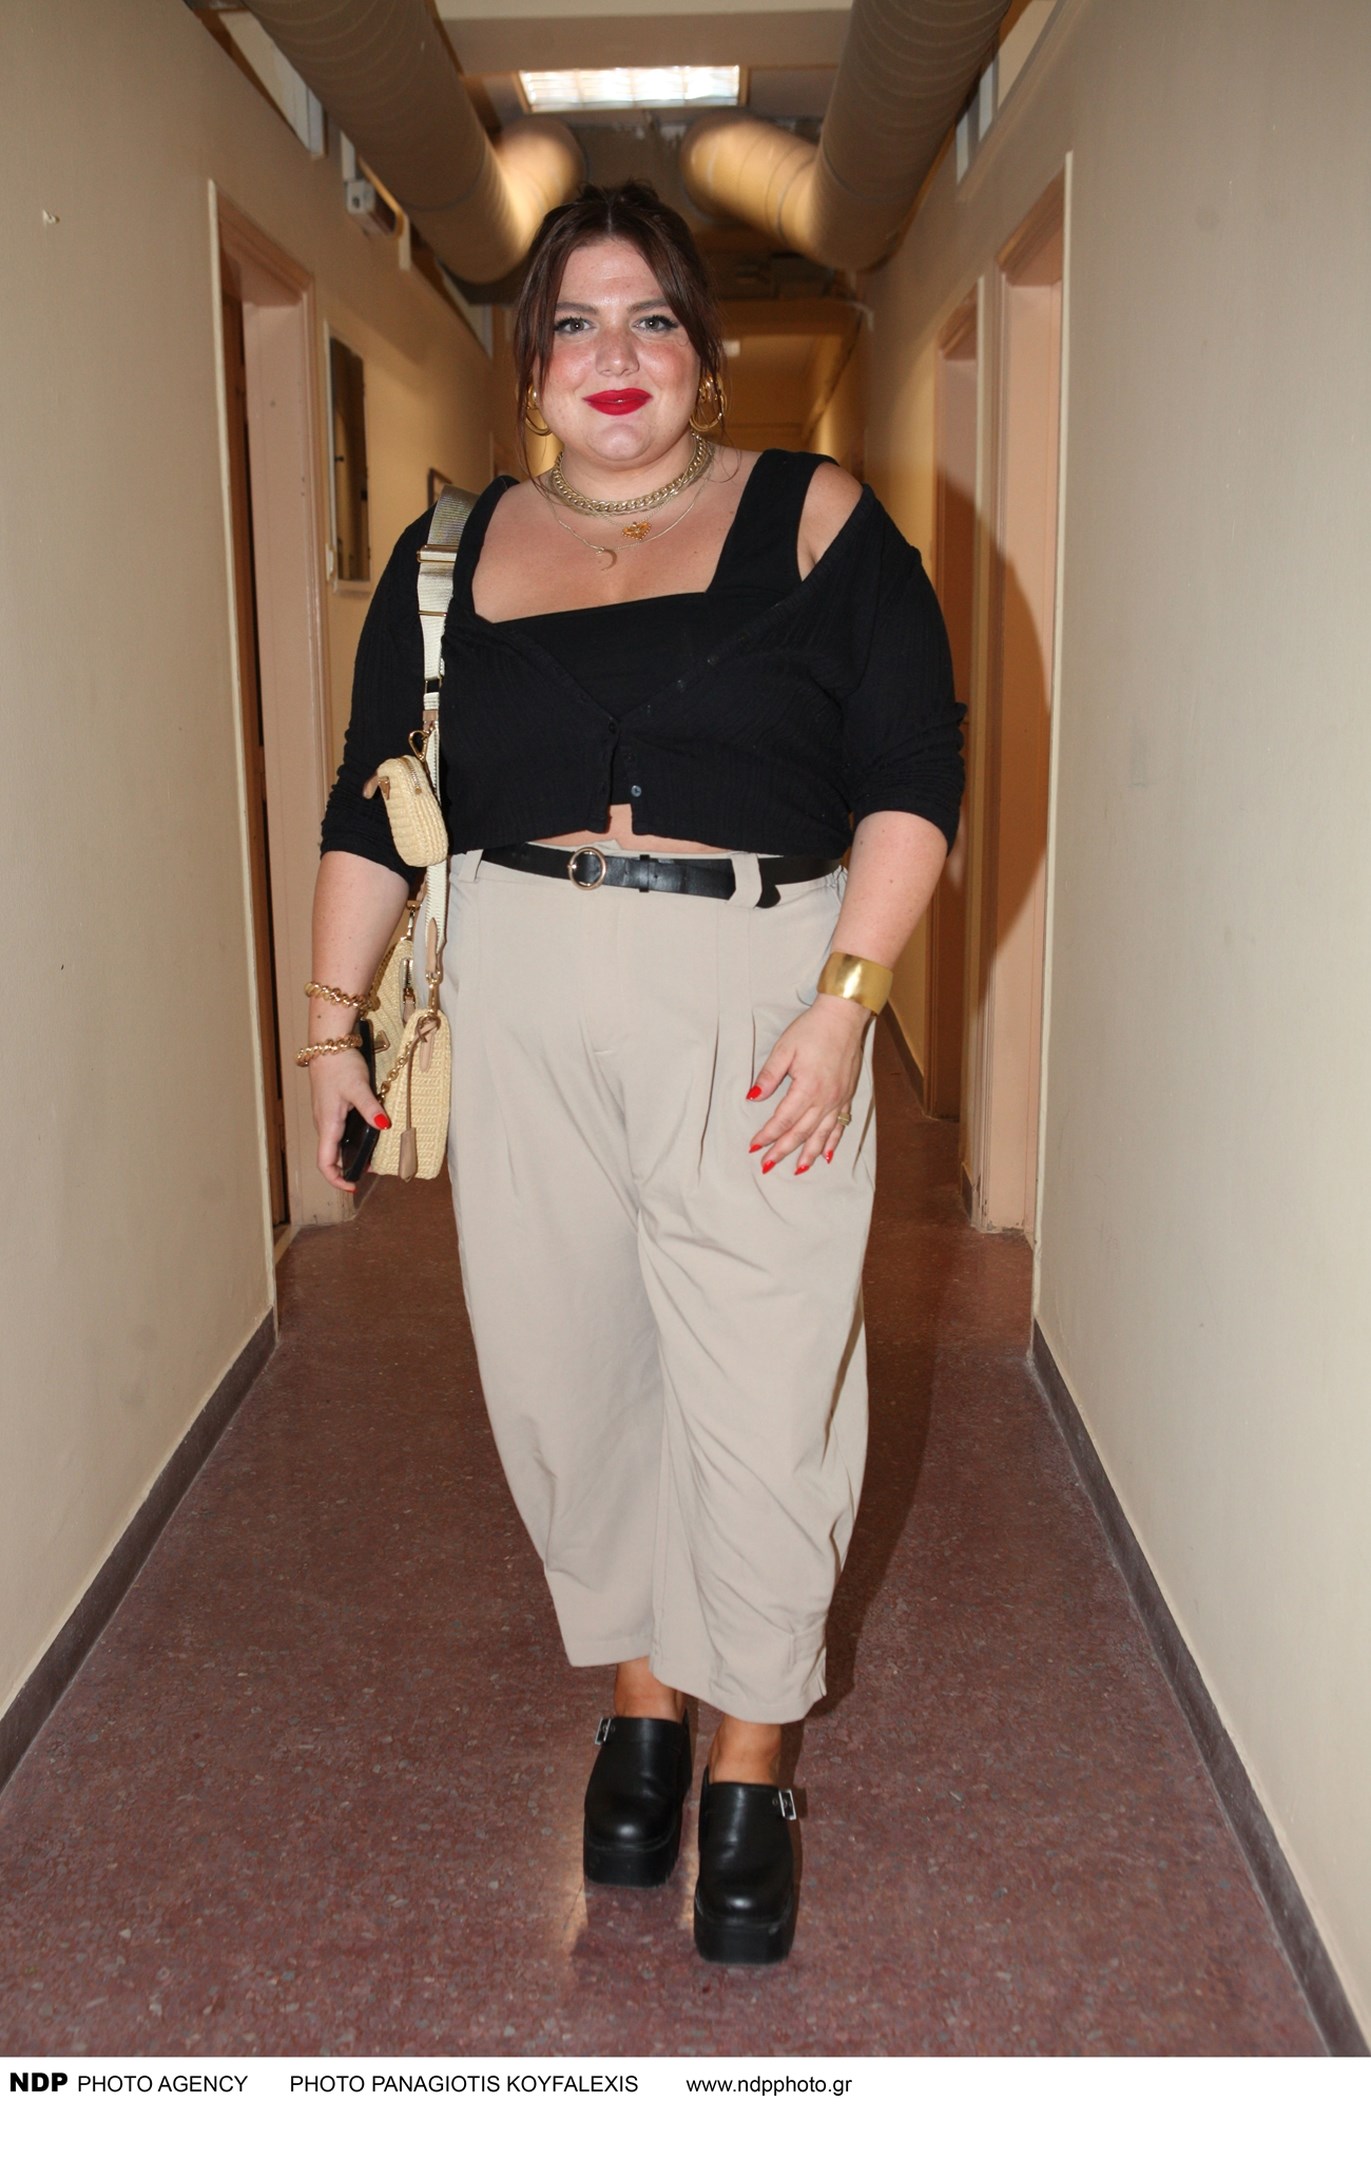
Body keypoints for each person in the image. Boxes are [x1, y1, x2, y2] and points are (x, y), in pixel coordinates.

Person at [306, 182, 964, 1966]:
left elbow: (914, 774)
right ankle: (644, 1699)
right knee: (568, 1376)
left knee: (760, 1390)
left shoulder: (816, 519)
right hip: (521, 992)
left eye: (652, 318)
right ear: (532, 366)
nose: (616, 354)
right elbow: (374, 792)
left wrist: (846, 1002)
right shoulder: (450, 557)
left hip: (759, 997)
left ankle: (751, 1758)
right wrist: (330, 1027)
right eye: (578, 323)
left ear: (705, 355)